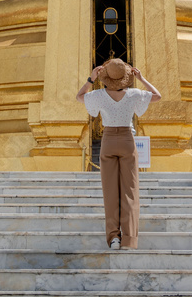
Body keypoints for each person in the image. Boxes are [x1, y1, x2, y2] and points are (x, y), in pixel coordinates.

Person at [76, 57, 161, 250]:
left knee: (110, 192)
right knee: (130, 192)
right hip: (126, 140)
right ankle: (130, 240)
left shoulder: (98, 95)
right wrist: (142, 79)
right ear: (126, 77)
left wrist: (90, 79)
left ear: (106, 77)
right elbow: (157, 95)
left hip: (108, 140)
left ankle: (114, 237)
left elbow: (79, 96)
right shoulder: (133, 94)